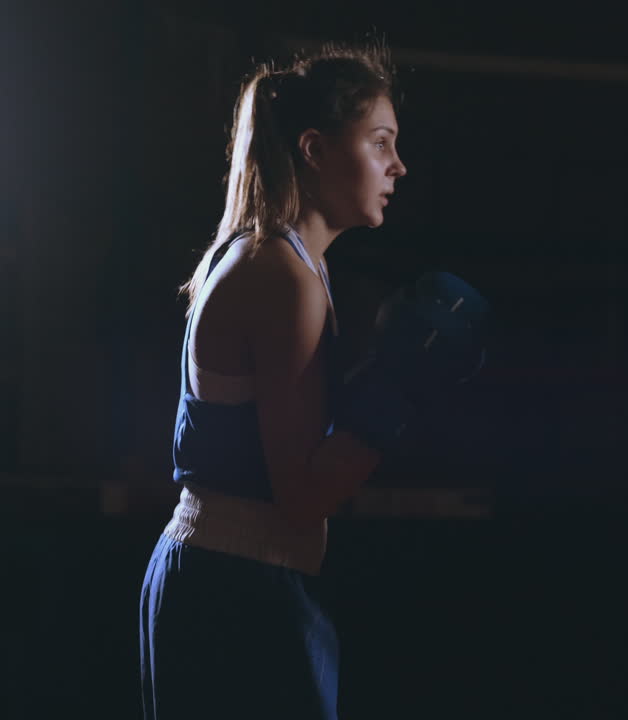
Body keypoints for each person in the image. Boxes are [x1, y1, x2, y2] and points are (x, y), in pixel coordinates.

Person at [138, 44, 485, 719]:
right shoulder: (281, 274)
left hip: (229, 575)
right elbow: (300, 494)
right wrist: (398, 391)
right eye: (379, 142)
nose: (398, 165)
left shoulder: (280, 258)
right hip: (236, 585)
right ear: (316, 149)